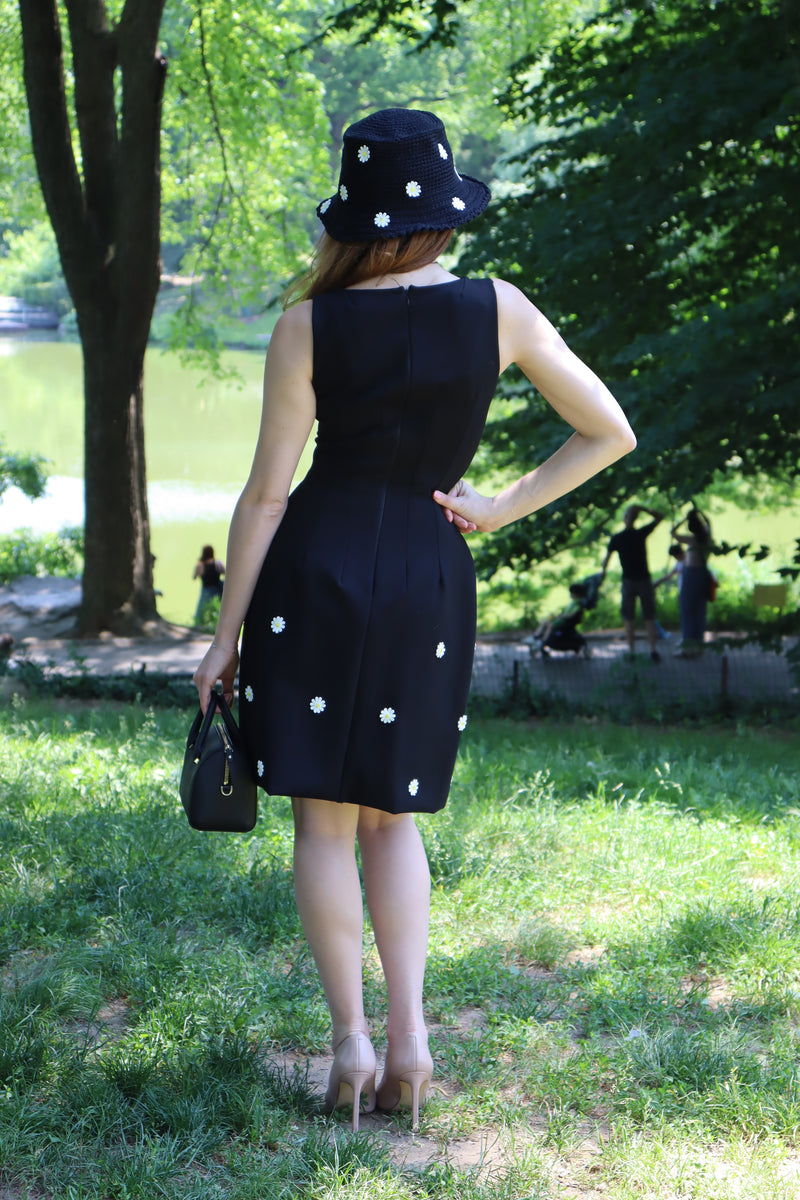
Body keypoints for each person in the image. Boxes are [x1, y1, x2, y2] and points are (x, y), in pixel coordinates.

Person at [192, 108, 636, 1132]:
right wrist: (496, 505)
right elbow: (605, 431)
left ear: (352, 217)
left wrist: (222, 637)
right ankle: (411, 1042)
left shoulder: (306, 325)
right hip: (428, 579)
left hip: (315, 571)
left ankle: (347, 1041)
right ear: (441, 214)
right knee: (394, 817)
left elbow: (265, 495)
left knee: (322, 820)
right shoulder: (499, 309)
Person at [600, 504, 663, 661]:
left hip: (629, 581)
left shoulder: (617, 538)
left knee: (630, 618)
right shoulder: (640, 534)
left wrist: (602, 575)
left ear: (624, 519)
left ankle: (633, 651)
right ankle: (652, 650)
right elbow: (660, 517)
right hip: (642, 580)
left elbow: (605, 562)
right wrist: (643, 508)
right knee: (648, 616)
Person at [671, 508, 713, 656]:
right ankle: (697, 645)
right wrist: (700, 513)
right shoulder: (706, 539)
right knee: (699, 610)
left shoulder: (693, 540)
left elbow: (673, 533)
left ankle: (688, 647)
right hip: (701, 575)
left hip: (691, 576)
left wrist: (684, 519)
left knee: (687, 610)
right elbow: (709, 523)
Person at [192, 545, 225, 622]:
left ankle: (198, 624)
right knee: (218, 609)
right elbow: (225, 572)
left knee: (200, 611)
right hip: (218, 589)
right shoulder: (218, 563)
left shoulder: (200, 565)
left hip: (207, 590)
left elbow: (194, 577)